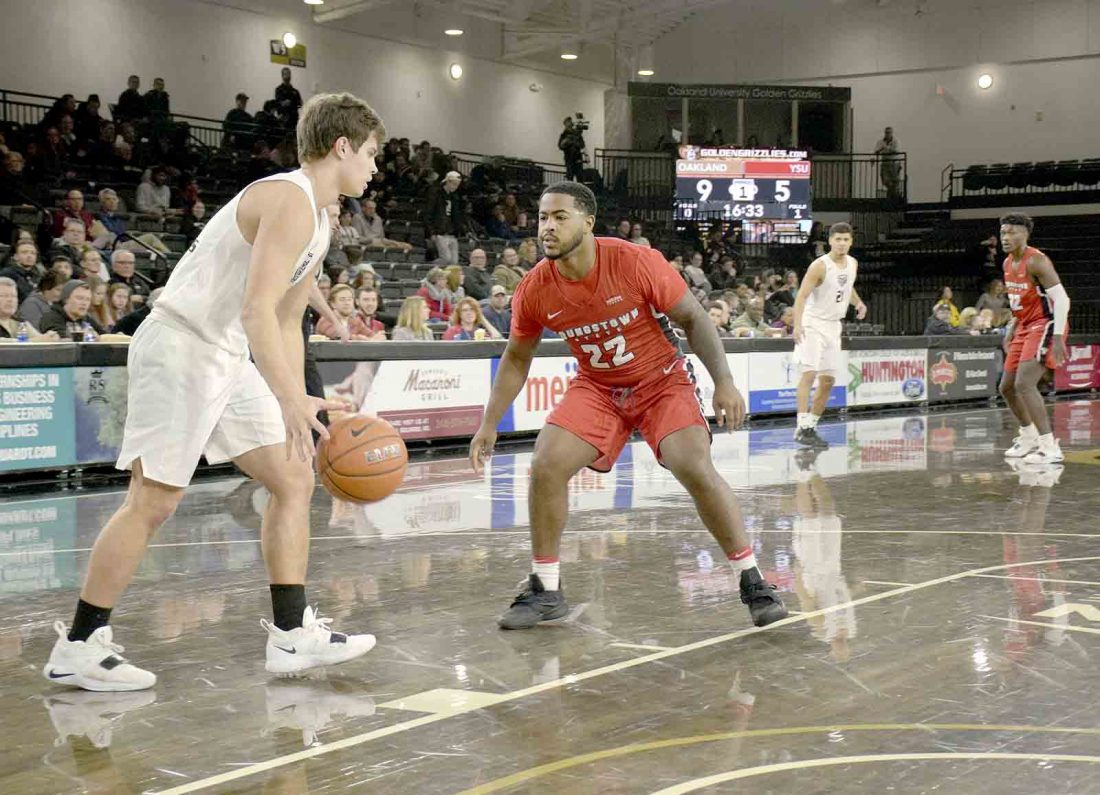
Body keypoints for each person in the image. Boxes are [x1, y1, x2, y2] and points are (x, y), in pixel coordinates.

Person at [42, 92, 385, 692]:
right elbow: (256, 311)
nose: (375, 167)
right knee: (153, 500)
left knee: (293, 477)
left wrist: (299, 395)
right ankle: (78, 646)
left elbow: (287, 320)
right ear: (342, 147)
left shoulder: (319, 219)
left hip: (224, 354)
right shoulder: (288, 198)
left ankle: (291, 634)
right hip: (181, 345)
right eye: (372, 153)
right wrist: (286, 397)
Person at [467, 181, 787, 631]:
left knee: (691, 464)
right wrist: (489, 423)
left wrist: (725, 382)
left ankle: (752, 580)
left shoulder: (634, 261)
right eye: (542, 218)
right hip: (598, 387)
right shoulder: (535, 287)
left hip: (661, 380)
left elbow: (694, 318)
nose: (548, 227)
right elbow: (517, 357)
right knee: (546, 463)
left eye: (560, 217)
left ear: (588, 222)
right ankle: (545, 589)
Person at [999, 213, 1070, 464]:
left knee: (1024, 384)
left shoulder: (1037, 261)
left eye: (1012, 232)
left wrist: (1058, 338)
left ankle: (1049, 447)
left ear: (1025, 234)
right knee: (1006, 387)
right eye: (1003, 232)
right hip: (1024, 325)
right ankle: (1028, 436)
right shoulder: (1007, 263)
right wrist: (1012, 326)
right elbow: (1020, 302)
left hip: (1045, 324)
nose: (1006, 237)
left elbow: (1062, 300)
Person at [791, 222, 867, 448]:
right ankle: (801, 425)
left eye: (846, 240)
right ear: (830, 241)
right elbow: (801, 296)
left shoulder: (852, 263)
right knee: (809, 373)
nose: (842, 243)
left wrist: (858, 303)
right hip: (813, 323)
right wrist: (797, 325)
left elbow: (846, 288)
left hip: (834, 325)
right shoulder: (819, 266)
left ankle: (811, 427)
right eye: (838, 239)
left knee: (828, 380)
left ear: (851, 242)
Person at [37, 280, 106, 339]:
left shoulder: (86, 318)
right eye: (80, 298)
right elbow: (62, 341)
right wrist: (92, 337)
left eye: (88, 299)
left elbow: (104, 335)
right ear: (66, 299)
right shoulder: (51, 317)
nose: (84, 303)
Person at [425, 171, 465, 265]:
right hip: (440, 232)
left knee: (454, 261)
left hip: (452, 232)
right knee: (446, 258)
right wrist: (431, 232)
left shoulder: (454, 197)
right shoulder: (436, 194)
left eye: (457, 185)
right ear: (448, 182)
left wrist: (459, 229)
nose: (456, 187)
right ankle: (429, 267)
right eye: (454, 184)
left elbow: (456, 216)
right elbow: (428, 214)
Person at [315, 284, 379, 340]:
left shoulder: (355, 321)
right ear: (333, 303)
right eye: (342, 300)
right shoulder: (326, 320)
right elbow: (340, 337)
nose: (347, 303)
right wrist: (362, 339)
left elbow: (372, 335)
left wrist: (377, 337)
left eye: (349, 299)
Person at [874, 126, 901, 198]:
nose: (887, 134)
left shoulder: (896, 141)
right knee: (886, 181)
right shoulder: (880, 141)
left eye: (889, 133)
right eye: (886, 133)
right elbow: (876, 151)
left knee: (895, 182)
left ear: (892, 133)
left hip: (894, 163)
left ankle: (892, 197)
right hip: (885, 163)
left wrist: (886, 148)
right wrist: (881, 149)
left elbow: (896, 151)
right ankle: (893, 196)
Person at [557, 117, 585, 181]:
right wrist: (567, 142)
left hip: (577, 159)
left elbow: (582, 145)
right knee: (570, 177)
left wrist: (575, 142)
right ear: (565, 124)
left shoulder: (577, 134)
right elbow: (560, 146)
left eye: (570, 122)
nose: (569, 124)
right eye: (567, 123)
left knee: (580, 177)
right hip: (569, 159)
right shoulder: (563, 135)